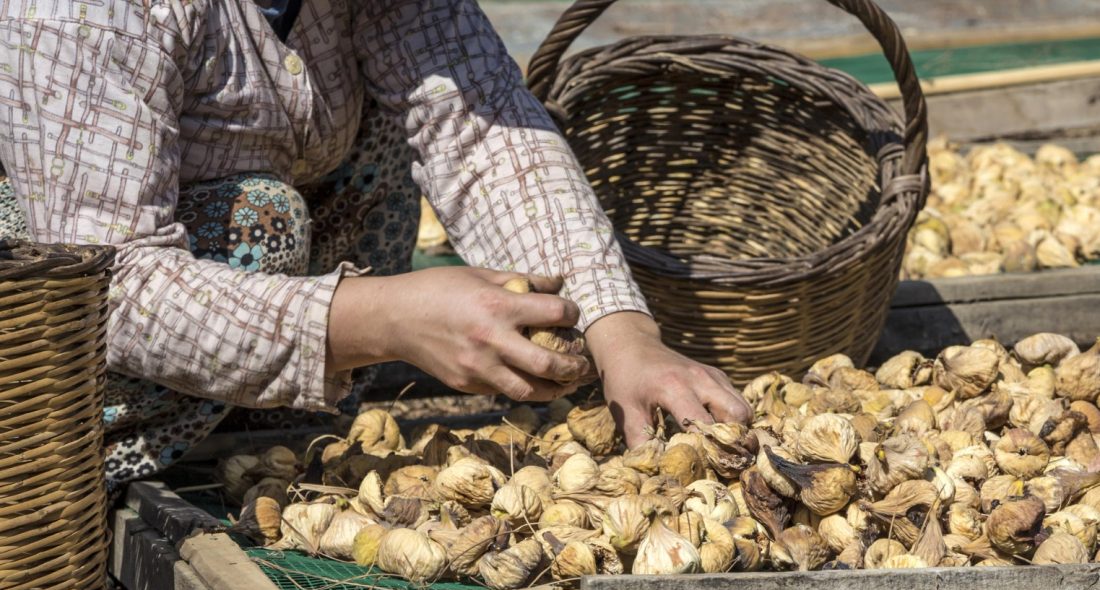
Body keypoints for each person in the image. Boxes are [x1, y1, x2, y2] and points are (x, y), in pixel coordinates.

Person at [0, 0, 750, 493]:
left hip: (249, 281)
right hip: (48, 345)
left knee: (388, 124)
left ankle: (270, 447)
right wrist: (381, 319)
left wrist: (624, 334)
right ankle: (102, 486)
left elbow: (480, 128)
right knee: (262, 221)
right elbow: (107, 282)